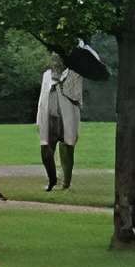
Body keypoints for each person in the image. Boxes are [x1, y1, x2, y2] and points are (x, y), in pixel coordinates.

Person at [35, 47, 85, 190]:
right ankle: (52, 180)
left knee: (67, 148)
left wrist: (61, 83)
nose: (55, 61)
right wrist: (39, 119)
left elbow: (76, 96)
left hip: (67, 118)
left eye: (58, 58)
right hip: (48, 117)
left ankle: (66, 182)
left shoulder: (74, 74)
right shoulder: (46, 75)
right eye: (53, 58)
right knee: (45, 150)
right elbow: (41, 98)